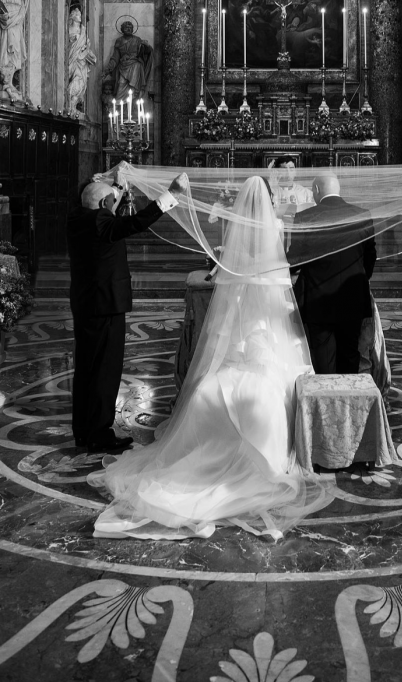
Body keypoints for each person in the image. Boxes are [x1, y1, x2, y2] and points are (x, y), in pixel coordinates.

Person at [89, 176, 329, 540]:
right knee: (275, 384)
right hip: (264, 342)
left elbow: (225, 304)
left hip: (238, 345)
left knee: (212, 387)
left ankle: (203, 457)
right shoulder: (274, 246)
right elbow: (282, 303)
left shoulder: (234, 253)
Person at [68, 168, 188, 453]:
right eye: (113, 201)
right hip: (105, 305)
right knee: (105, 371)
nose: (116, 204)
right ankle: (99, 434)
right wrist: (169, 195)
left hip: (86, 303)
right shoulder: (102, 221)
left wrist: (117, 186)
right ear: (104, 206)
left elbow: (104, 205)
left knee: (86, 368)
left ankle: (84, 431)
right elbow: (133, 223)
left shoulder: (77, 217)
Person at [288, 174, 376, 374]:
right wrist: (358, 281)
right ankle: (349, 402)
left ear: (317, 190)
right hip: (353, 297)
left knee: (323, 361)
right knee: (350, 356)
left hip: (318, 300)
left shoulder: (305, 217)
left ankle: (327, 402)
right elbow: (370, 256)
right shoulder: (362, 214)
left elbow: (294, 260)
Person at [0, 0, 29, 101]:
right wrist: (3, 16)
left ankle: (9, 83)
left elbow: (24, 7)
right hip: (7, 22)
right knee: (7, 52)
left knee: (15, 53)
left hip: (17, 23)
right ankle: (5, 84)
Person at [104, 21, 153, 103]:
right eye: (126, 27)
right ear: (122, 29)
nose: (129, 29)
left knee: (134, 89)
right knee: (121, 85)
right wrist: (108, 69)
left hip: (135, 66)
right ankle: (119, 108)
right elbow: (115, 57)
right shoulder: (119, 41)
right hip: (123, 67)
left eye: (130, 27)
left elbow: (145, 52)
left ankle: (133, 107)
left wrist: (147, 46)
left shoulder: (137, 40)